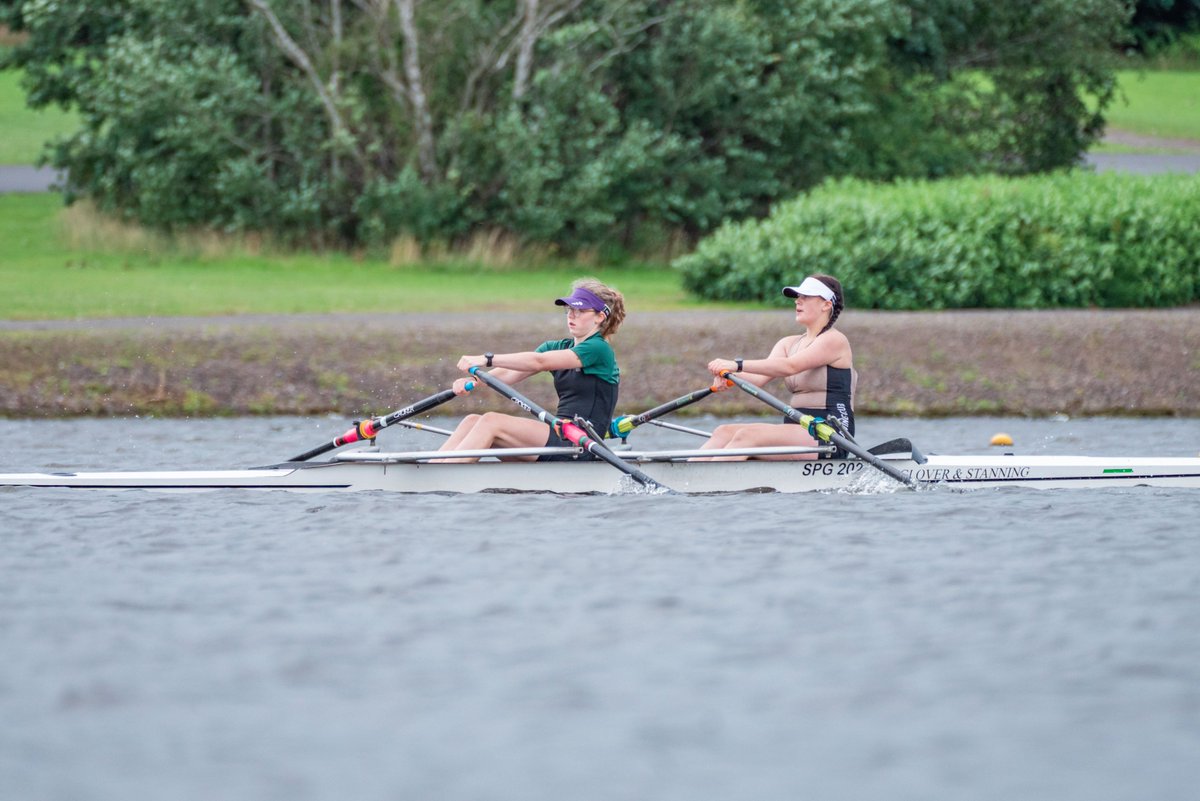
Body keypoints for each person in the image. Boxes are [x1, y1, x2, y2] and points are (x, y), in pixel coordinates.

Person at [436, 278, 624, 462]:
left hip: (582, 443)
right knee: (471, 420)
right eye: (570, 309)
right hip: (562, 433)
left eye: (581, 310)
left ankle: (445, 477)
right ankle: (432, 470)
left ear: (600, 316)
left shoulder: (599, 349)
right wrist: (472, 383)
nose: (572, 315)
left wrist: (487, 359)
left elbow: (538, 361)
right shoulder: (557, 346)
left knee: (491, 421)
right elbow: (508, 374)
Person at [694, 273, 855, 461]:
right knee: (723, 432)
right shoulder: (788, 343)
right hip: (798, 428)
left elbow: (789, 366)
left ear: (827, 304)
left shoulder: (835, 340)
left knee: (747, 436)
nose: (798, 302)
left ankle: (709, 485)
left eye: (806, 297)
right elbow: (758, 379)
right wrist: (729, 376)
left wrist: (736, 364)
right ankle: (687, 479)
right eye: (797, 297)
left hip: (831, 433)